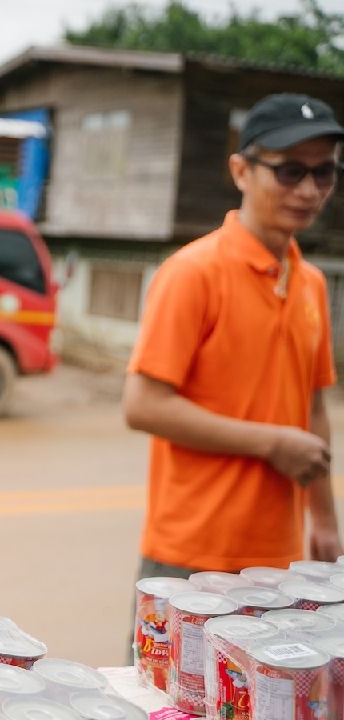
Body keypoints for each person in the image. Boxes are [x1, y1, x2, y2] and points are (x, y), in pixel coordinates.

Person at [123, 92, 344, 582]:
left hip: (279, 554)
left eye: (323, 172)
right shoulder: (193, 272)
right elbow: (143, 405)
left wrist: (324, 516)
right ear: (241, 171)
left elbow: (312, 409)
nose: (308, 190)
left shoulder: (310, 282)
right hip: (191, 552)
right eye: (290, 171)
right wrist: (270, 443)